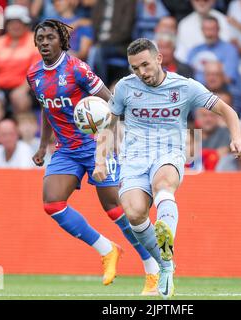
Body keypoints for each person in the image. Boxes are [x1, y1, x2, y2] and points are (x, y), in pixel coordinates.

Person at [93, 38, 241, 299]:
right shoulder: (124, 89)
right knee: (134, 214)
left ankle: (165, 239)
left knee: (163, 186)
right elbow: (108, 125)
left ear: (159, 59)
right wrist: (100, 160)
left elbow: (226, 110)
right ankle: (166, 266)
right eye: (135, 68)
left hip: (169, 153)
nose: (142, 72)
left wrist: (237, 137)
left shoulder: (184, 87)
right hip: (134, 159)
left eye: (145, 65)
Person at [27, 20, 159, 295]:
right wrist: (43, 145)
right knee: (52, 203)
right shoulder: (34, 74)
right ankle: (107, 249)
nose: (44, 42)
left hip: (96, 143)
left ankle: (153, 267)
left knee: (117, 210)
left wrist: (110, 138)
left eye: (50, 37)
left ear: (61, 41)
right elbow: (46, 107)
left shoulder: (77, 68)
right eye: (40, 38)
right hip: (66, 148)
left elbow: (111, 101)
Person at [0, 4, 40, 115]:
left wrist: (22, 89)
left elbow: (36, 71)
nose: (15, 26)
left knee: (19, 98)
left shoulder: (35, 40)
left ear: (26, 24)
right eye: (11, 22)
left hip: (27, 88)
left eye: (19, 22)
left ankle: (23, 128)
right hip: (0, 87)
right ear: (6, 25)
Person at [187, 15, 240, 85]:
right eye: (206, 29)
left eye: (212, 29)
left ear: (218, 30)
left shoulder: (229, 50)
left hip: (223, 91)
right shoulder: (194, 50)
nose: (209, 34)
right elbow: (186, 75)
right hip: (197, 92)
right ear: (202, 30)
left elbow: (228, 79)